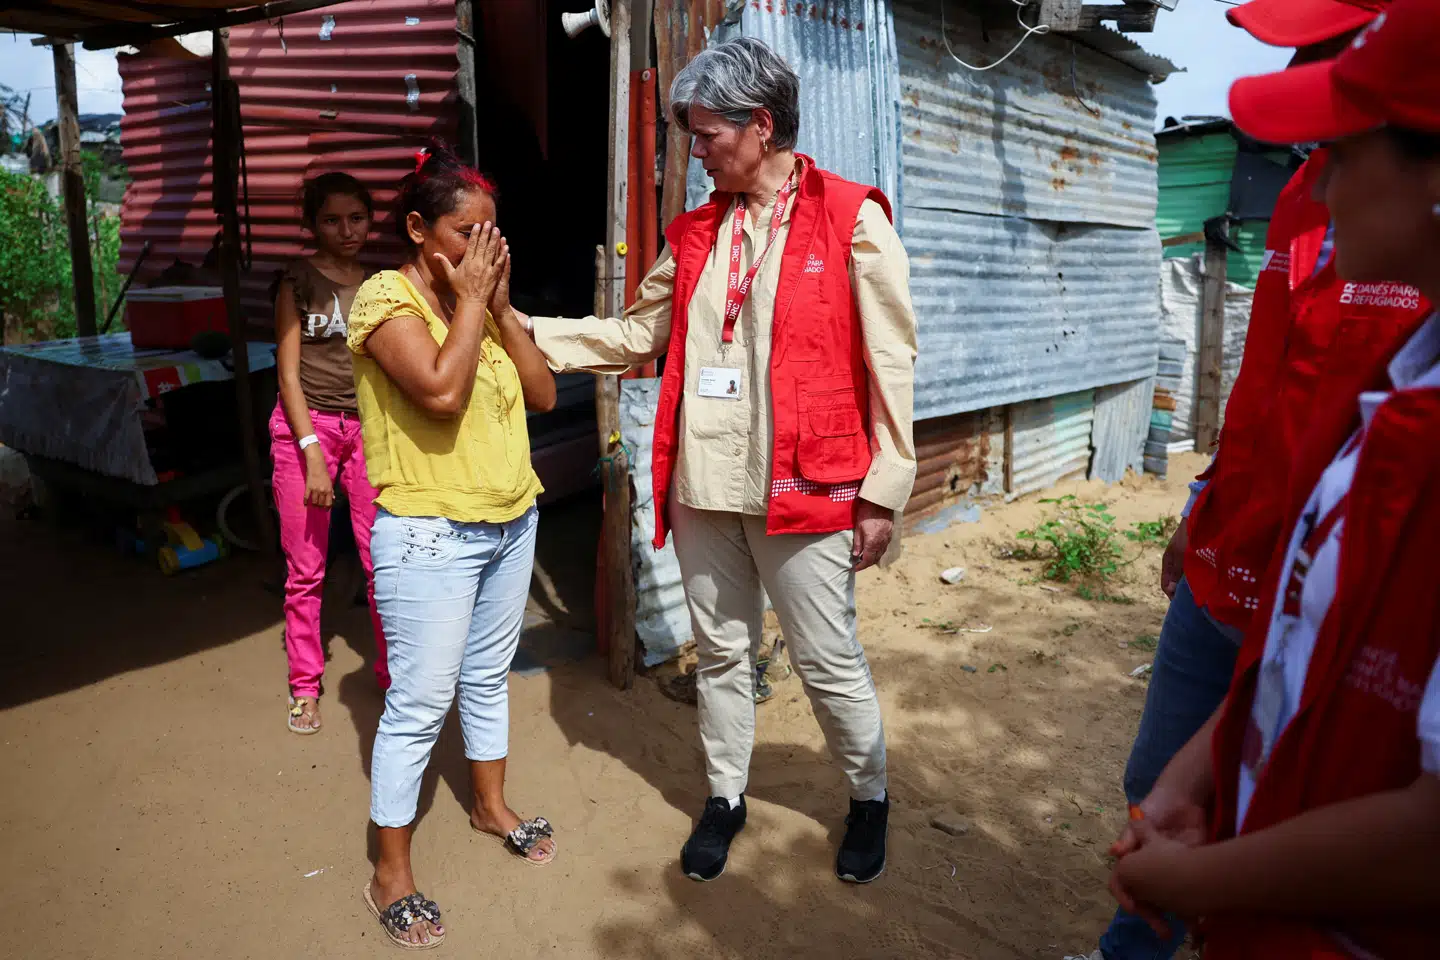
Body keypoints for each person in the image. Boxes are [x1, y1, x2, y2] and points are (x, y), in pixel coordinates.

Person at [1067, 0, 1427, 955]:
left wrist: (1207, 878)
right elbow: (1263, 400)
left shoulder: (1387, 232)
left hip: (1335, 607)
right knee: (1163, 790)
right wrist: (1199, 508)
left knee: (1289, 813)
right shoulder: (1307, 193)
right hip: (1235, 576)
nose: (1304, 80)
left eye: (1323, 55)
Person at [524, 37, 918, 885]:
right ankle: (726, 796)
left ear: (761, 125)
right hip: (705, 485)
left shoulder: (853, 218)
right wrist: (522, 331)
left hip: (809, 484)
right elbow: (636, 334)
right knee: (724, 652)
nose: (695, 151)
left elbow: (893, 363)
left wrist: (883, 491)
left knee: (825, 658)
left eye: (706, 135)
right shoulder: (699, 232)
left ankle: (869, 795)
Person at [347, 142, 558, 948]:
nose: (483, 249)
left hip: (511, 520)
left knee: (487, 677)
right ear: (416, 228)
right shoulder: (383, 299)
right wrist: (471, 303)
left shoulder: (486, 305)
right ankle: (389, 873)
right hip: (431, 533)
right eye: (466, 232)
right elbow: (438, 391)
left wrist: (499, 307)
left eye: (492, 233)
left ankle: (487, 804)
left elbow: (541, 393)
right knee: (419, 704)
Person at [270, 172, 389, 735]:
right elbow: (288, 376)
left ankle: (395, 679)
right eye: (332, 220)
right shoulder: (296, 282)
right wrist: (312, 451)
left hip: (367, 429)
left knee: (382, 563)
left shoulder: (382, 285)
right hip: (306, 427)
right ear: (312, 224)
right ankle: (304, 687)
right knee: (306, 569)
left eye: (357, 218)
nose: (347, 231)